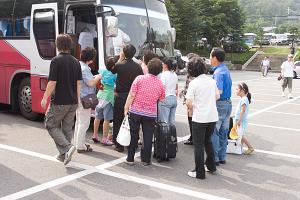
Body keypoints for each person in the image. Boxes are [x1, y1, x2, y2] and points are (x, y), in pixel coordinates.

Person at [41, 34, 82, 165]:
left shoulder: (56, 61)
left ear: (57, 46)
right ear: (69, 46)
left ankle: (67, 148)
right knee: (67, 128)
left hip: (59, 101)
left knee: (50, 124)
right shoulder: (76, 61)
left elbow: (52, 82)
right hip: (73, 101)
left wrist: (44, 98)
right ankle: (64, 154)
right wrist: (78, 100)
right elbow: (78, 83)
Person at [124, 58, 165, 166]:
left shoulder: (139, 79)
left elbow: (131, 94)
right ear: (160, 71)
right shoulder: (160, 83)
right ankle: (146, 160)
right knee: (147, 137)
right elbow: (162, 99)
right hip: (150, 114)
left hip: (136, 111)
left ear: (148, 67)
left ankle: (130, 159)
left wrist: (126, 107)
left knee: (133, 135)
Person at [185, 57, 219, 179]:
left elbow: (188, 102)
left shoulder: (194, 83)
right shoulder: (211, 81)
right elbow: (217, 95)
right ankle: (211, 166)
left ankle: (199, 172)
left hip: (199, 117)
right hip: (212, 116)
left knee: (198, 145)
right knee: (208, 141)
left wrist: (195, 106)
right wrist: (207, 102)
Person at [110, 44, 144, 152]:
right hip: (133, 96)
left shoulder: (120, 65)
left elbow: (112, 70)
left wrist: (120, 58)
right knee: (132, 120)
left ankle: (118, 144)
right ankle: (131, 143)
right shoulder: (138, 66)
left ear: (123, 53)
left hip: (121, 96)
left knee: (118, 120)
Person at [74, 47, 101, 153]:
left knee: (79, 122)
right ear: (91, 59)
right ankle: (80, 146)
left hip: (79, 97)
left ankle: (78, 143)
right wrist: (98, 77)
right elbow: (90, 83)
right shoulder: (84, 68)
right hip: (84, 98)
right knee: (84, 122)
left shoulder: (79, 65)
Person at [210, 48, 232, 166]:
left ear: (215, 58)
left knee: (215, 131)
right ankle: (222, 157)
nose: (209, 59)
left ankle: (215, 158)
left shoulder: (218, 73)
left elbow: (218, 92)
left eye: (210, 56)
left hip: (220, 104)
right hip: (228, 103)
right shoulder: (225, 69)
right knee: (224, 131)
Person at [92, 56, 118, 145]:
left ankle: (95, 135)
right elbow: (116, 85)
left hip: (100, 95)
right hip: (109, 97)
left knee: (97, 117)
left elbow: (97, 77)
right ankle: (104, 138)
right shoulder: (115, 74)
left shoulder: (102, 70)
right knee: (107, 119)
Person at [180, 53, 200, 145]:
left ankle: (193, 138)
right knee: (191, 119)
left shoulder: (193, 75)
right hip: (190, 100)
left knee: (192, 119)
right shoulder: (191, 74)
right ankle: (193, 137)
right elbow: (187, 86)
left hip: (191, 101)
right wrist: (183, 91)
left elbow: (191, 89)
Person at [234, 82, 254, 155]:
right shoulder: (243, 98)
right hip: (239, 120)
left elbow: (243, 110)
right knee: (240, 134)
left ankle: (250, 147)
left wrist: (239, 120)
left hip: (241, 121)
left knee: (240, 135)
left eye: (237, 89)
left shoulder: (244, 99)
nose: (235, 91)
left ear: (242, 90)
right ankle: (239, 149)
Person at [158, 57, 178, 125]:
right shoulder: (174, 74)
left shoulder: (164, 74)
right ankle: (172, 135)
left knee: (164, 122)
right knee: (172, 122)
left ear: (165, 65)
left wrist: (160, 98)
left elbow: (162, 88)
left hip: (165, 98)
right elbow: (176, 87)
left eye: (162, 64)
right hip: (174, 99)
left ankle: (164, 136)